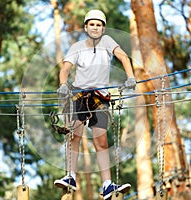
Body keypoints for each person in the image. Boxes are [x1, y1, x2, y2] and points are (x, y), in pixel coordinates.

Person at [54, 9, 136, 199]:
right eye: (92, 24)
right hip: (79, 96)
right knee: (74, 136)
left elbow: (123, 57)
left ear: (103, 28)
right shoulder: (77, 47)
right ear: (86, 27)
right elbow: (65, 68)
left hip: (100, 98)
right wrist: (63, 85)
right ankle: (70, 176)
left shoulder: (108, 42)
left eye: (99, 25)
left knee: (101, 142)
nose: (95, 28)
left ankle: (107, 184)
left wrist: (131, 77)